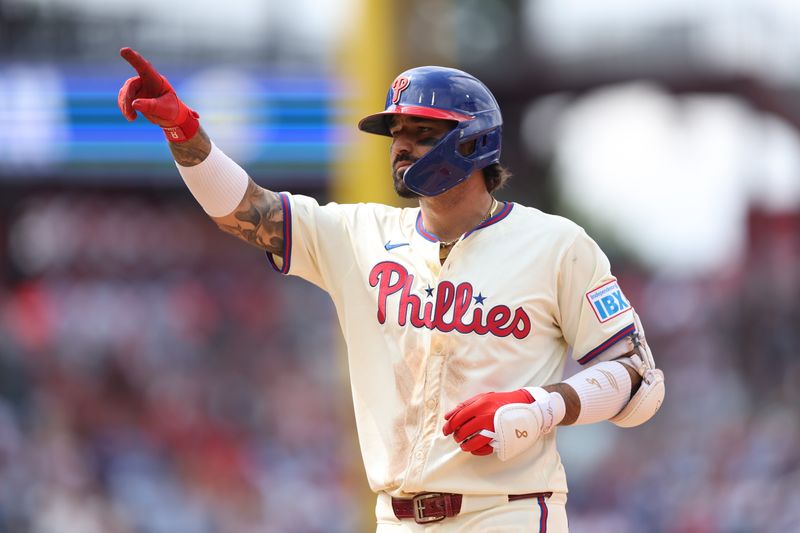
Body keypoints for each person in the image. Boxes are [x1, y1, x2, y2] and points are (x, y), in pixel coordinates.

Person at [117, 47, 665, 532]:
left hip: (509, 511)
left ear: (472, 142)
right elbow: (245, 210)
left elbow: (639, 382)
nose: (399, 146)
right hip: (395, 517)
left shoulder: (556, 244)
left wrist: (544, 405)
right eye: (395, 133)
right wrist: (184, 132)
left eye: (420, 133)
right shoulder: (361, 236)